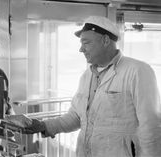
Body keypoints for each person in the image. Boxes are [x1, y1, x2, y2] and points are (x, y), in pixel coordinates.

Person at [11, 16, 161, 157]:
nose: (81, 49)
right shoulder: (87, 75)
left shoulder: (138, 71)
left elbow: (151, 126)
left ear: (105, 40)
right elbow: (76, 117)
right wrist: (43, 126)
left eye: (86, 42)